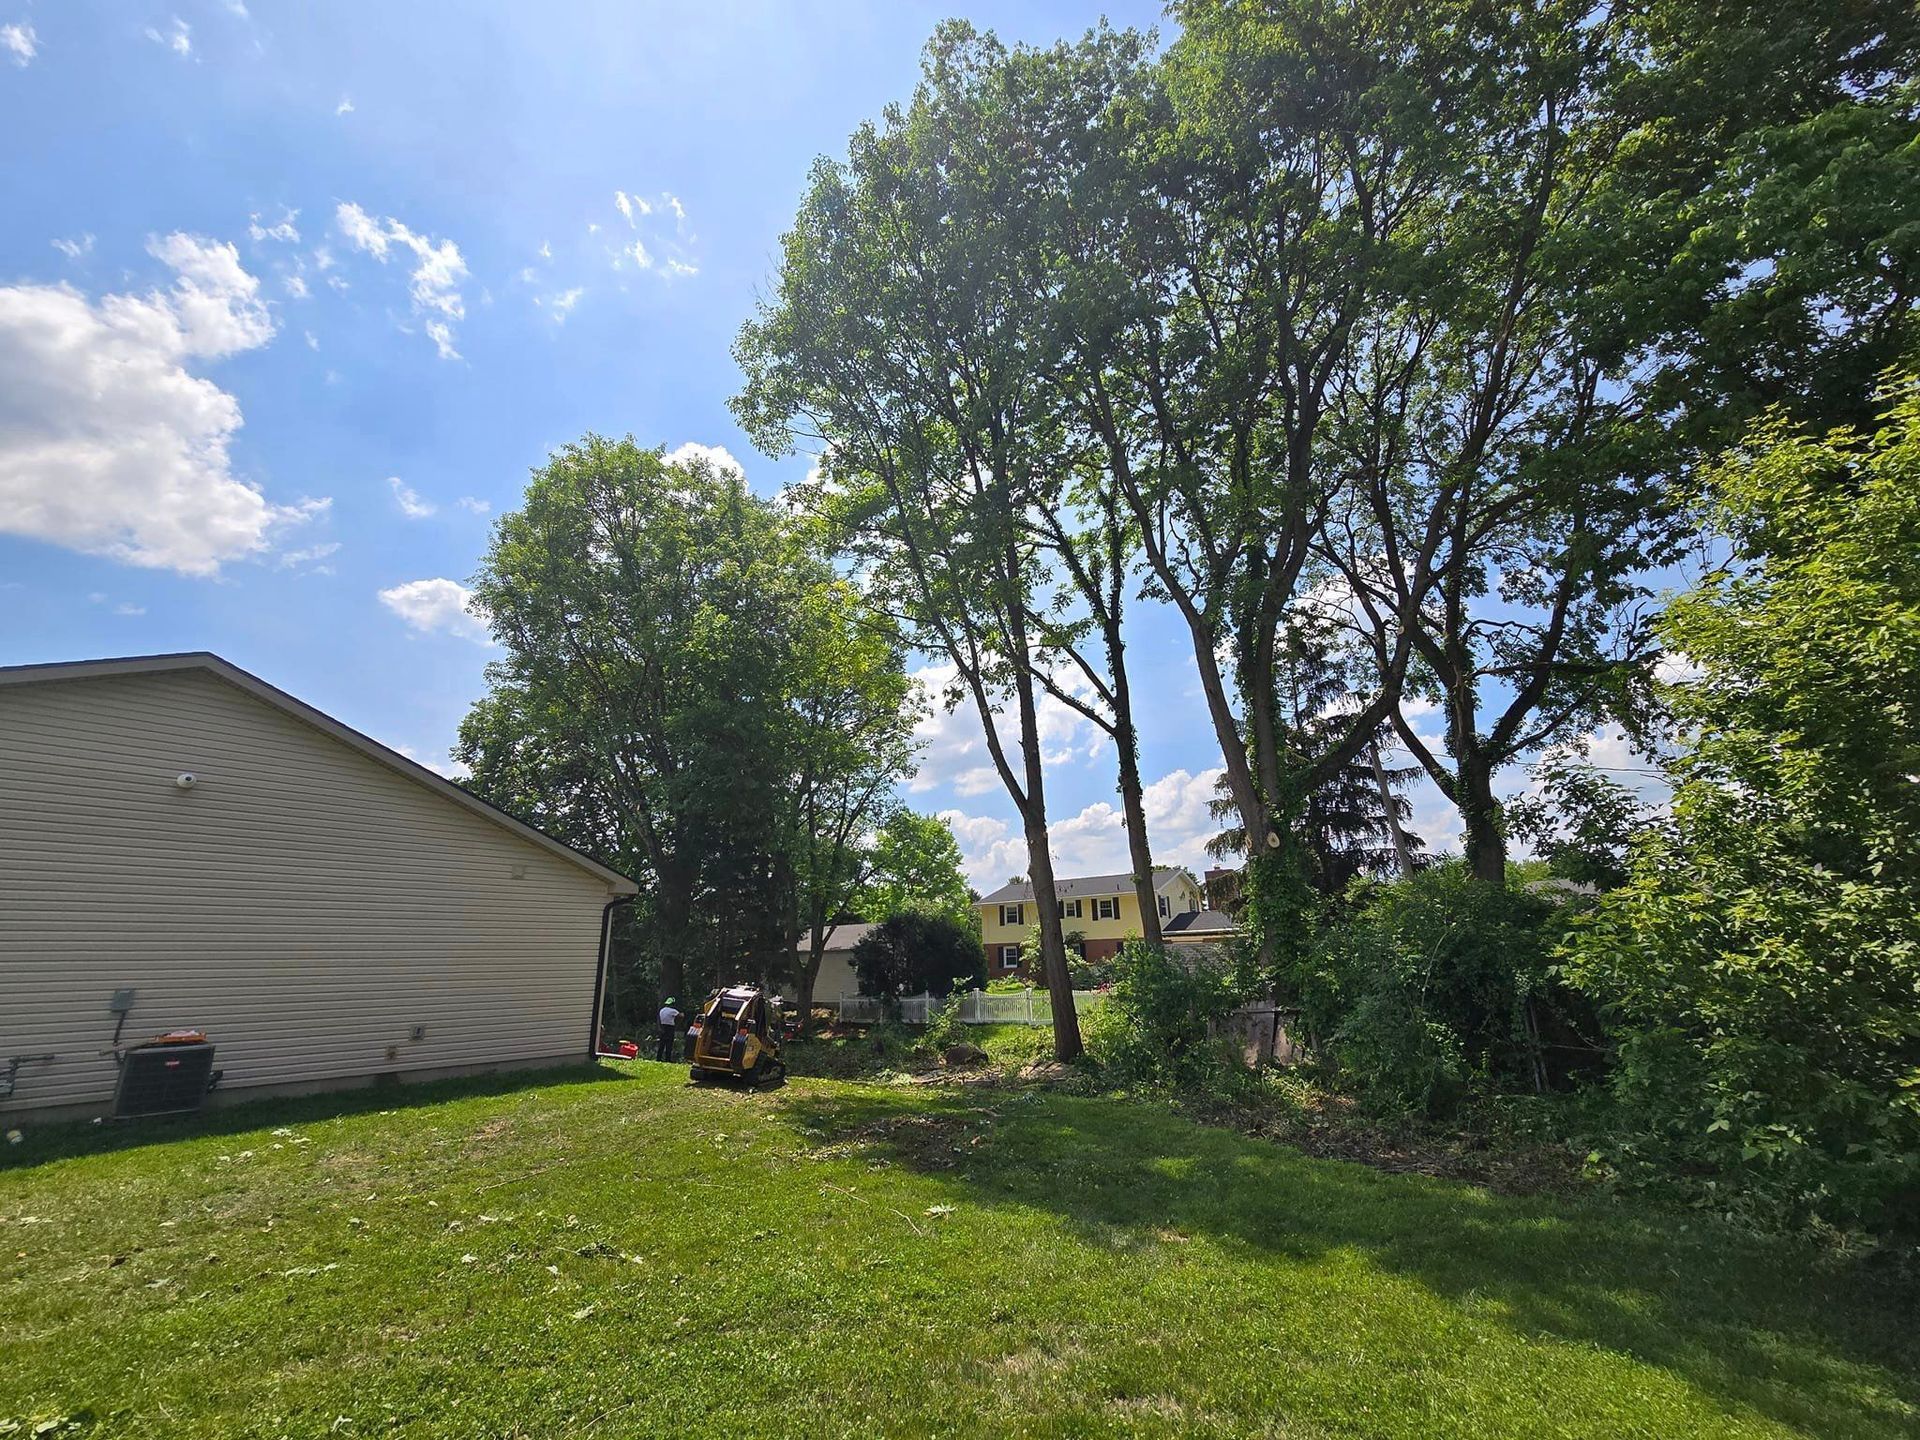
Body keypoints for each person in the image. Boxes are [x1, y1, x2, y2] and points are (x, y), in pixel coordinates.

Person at [655, 997, 681, 1062]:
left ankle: (658, 1058)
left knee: (662, 1043)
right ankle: (668, 1059)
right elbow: (681, 1016)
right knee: (669, 1044)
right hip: (670, 1028)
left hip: (663, 1027)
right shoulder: (673, 1011)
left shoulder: (662, 1010)